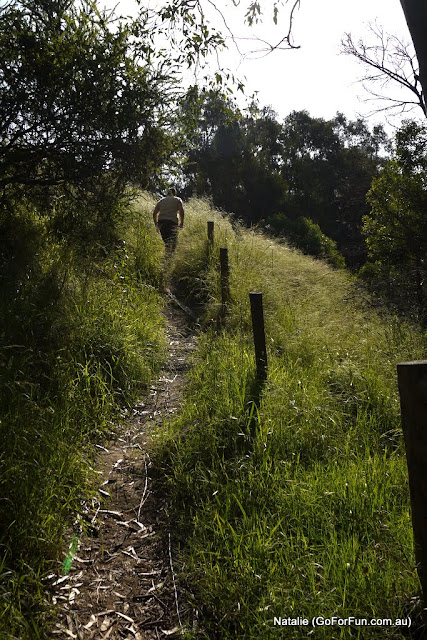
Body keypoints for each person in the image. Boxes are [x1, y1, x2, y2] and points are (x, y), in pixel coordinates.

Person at [152, 187, 184, 254]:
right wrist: (181, 222)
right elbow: (181, 210)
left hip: (161, 222)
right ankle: (169, 259)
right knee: (173, 242)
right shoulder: (177, 200)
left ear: (167, 193)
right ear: (174, 193)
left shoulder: (161, 200)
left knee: (166, 242)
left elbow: (154, 213)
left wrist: (156, 224)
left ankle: (167, 258)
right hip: (172, 222)